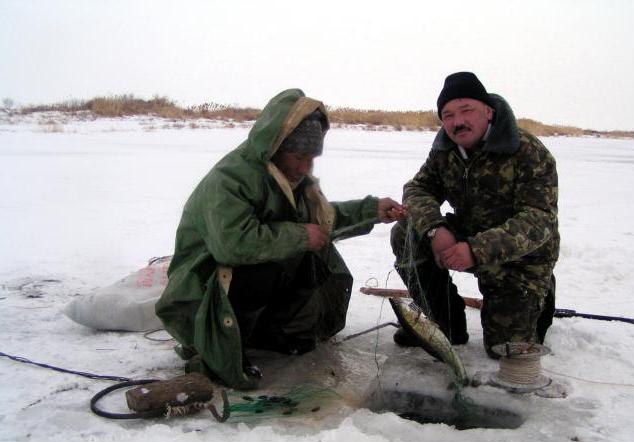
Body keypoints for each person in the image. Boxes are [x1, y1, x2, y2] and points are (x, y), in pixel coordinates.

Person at [156, 88, 405, 388]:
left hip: (240, 288)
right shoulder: (229, 179)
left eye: (311, 158)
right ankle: (215, 345)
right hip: (199, 295)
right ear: (276, 147)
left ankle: (267, 333)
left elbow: (322, 222)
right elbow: (232, 244)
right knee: (270, 263)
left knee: (308, 255)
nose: (304, 167)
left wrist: (372, 210)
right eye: (298, 156)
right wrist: (300, 236)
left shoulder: (289, 179)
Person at [391, 72, 559, 358]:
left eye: (466, 110)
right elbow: (417, 188)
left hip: (520, 259)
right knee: (406, 230)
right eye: (448, 115)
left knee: (503, 350)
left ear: (488, 111)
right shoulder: (445, 150)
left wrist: (476, 250)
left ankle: (540, 295)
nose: (458, 121)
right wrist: (434, 229)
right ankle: (444, 322)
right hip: (466, 236)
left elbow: (538, 220)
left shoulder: (528, 152)